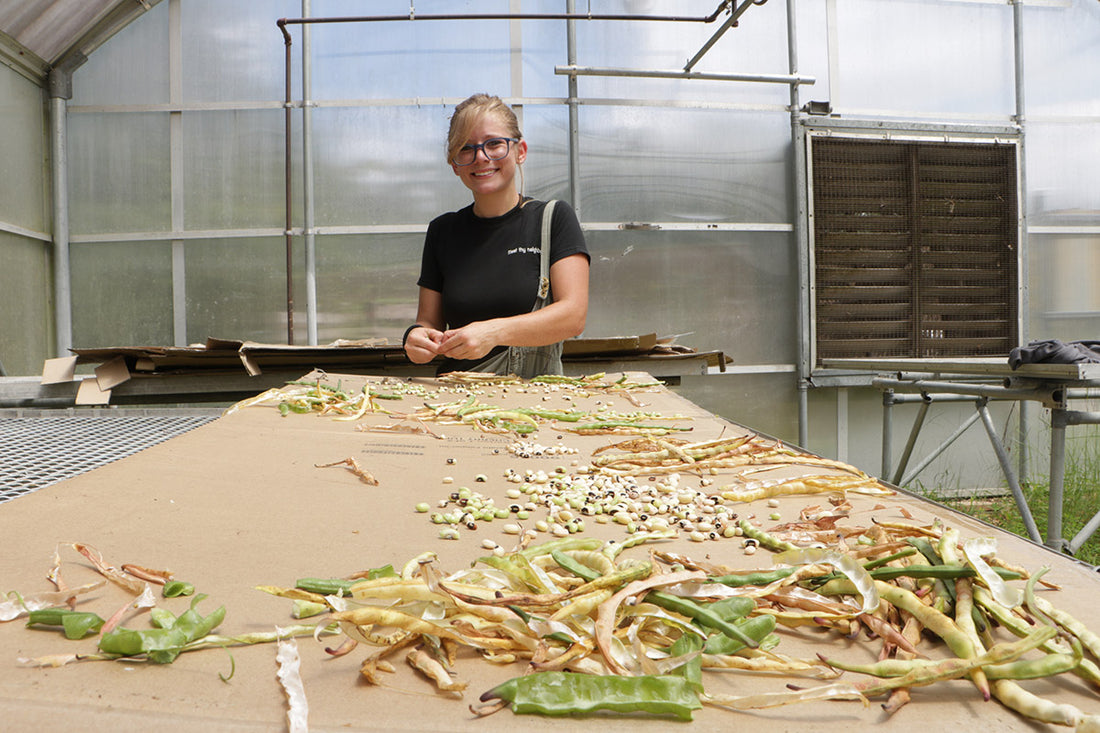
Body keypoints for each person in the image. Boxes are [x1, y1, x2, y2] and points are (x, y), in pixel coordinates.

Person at [403, 93, 590, 377]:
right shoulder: (443, 231)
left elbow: (573, 316)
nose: (481, 157)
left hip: (533, 395)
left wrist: (493, 332)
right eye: (466, 148)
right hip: (456, 393)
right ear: (455, 165)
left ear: (520, 151)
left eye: (494, 144)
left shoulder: (553, 219)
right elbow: (428, 322)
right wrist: (416, 337)